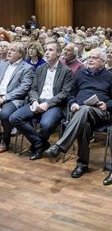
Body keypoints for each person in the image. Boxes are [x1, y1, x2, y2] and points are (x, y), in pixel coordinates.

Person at [44, 48, 112, 184]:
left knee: (85, 110)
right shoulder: (80, 74)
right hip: (80, 111)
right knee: (83, 125)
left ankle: (59, 146)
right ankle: (82, 164)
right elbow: (71, 94)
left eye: (94, 57)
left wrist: (107, 104)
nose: (90, 60)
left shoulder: (110, 76)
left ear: (103, 61)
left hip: (101, 112)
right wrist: (73, 103)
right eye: (89, 57)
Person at [9, 42, 73, 160]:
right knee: (14, 118)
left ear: (59, 53)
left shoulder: (66, 71)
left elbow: (64, 93)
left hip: (54, 105)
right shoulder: (40, 68)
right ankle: (40, 144)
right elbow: (33, 88)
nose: (47, 52)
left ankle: (38, 146)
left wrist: (47, 104)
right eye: (46, 50)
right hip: (37, 101)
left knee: (46, 124)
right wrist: (34, 101)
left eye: (51, 50)